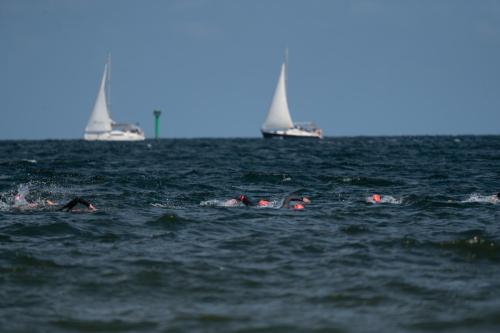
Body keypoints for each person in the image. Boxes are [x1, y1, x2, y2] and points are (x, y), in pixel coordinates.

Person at [236, 194, 310, 210]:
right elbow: (289, 197)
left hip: (264, 208)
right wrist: (302, 198)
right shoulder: (286, 207)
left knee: (251, 206)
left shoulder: (285, 207)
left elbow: (289, 198)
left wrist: (302, 199)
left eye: (297, 206)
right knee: (251, 206)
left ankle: (241, 198)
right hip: (265, 207)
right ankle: (241, 198)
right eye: (298, 205)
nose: (297, 205)